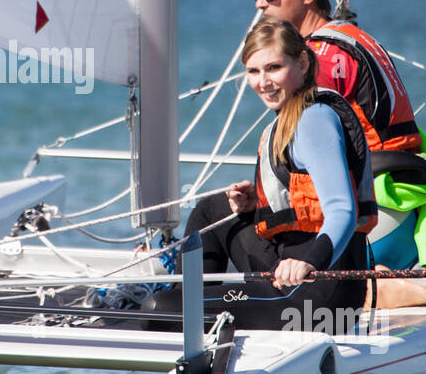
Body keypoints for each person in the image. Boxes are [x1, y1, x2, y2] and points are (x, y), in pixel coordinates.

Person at [186, 0, 426, 308]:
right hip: (404, 216)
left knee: (209, 214)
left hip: (369, 228)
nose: (261, 2)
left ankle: (373, 291)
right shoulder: (353, 37)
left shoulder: (319, 58)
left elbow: (325, 156)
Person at [144, 20, 374, 331]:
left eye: (274, 67)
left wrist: (310, 263)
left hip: (319, 298)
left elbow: (343, 211)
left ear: (303, 62)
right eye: (253, 71)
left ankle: (195, 313)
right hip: (286, 268)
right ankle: (200, 309)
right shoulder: (292, 116)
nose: (263, 81)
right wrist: (259, 202)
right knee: (212, 210)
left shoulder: (314, 119)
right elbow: (304, 195)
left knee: (157, 309)